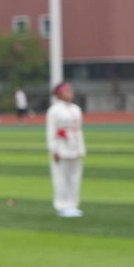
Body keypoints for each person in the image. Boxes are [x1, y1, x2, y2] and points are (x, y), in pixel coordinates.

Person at [45, 81, 86, 217]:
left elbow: (78, 129)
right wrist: (54, 150)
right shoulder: (54, 111)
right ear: (59, 94)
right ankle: (62, 205)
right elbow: (51, 132)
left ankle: (73, 204)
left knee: (75, 177)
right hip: (62, 147)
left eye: (70, 90)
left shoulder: (76, 108)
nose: (70, 93)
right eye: (66, 91)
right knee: (61, 178)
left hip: (75, 146)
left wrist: (81, 147)